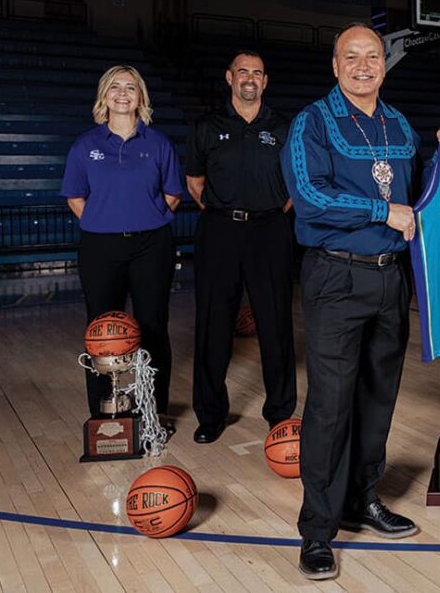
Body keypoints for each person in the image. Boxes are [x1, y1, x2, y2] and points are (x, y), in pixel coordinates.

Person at [282, 23, 421, 581]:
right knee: (330, 404)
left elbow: (422, 195)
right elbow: (308, 195)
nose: (363, 65)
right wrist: (379, 211)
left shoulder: (401, 124)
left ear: (383, 66)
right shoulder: (311, 122)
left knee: (378, 398)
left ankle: (363, 498)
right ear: (335, 65)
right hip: (336, 279)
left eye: (372, 57)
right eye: (351, 57)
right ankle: (317, 529)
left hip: (391, 279)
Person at [184, 50, 296, 444]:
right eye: (243, 71)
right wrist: (226, 212)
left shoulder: (284, 127)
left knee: (276, 323)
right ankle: (211, 415)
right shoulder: (207, 126)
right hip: (220, 230)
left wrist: (269, 213)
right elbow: (194, 182)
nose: (250, 78)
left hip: (271, 230)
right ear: (229, 77)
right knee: (213, 324)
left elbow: (295, 186)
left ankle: (280, 412)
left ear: (265, 82)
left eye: (258, 73)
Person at [60, 65, 182, 423]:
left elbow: (173, 194)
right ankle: (103, 412)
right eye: (116, 86)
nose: (124, 93)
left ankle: (154, 410)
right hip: (100, 248)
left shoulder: (158, 143)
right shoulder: (86, 145)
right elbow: (75, 196)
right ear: (105, 95)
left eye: (131, 87)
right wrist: (103, 222)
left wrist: (147, 219)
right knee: (100, 331)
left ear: (141, 96)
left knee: (154, 328)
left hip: (152, 246)